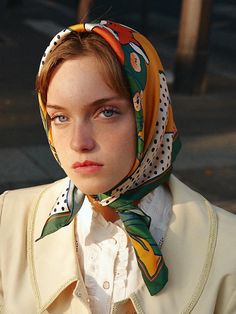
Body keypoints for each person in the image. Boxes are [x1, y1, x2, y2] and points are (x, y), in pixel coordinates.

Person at [0, 20, 235, 314]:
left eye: (106, 112)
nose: (78, 142)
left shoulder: (229, 250)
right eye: (60, 117)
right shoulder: (7, 224)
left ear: (149, 112)